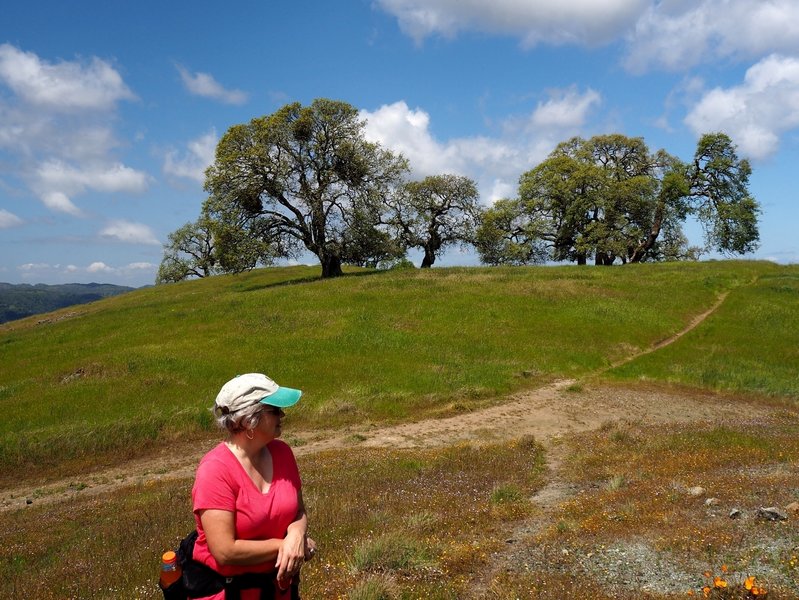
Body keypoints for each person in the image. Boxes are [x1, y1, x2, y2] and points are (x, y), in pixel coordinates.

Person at [190, 373, 316, 600]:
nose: (282, 415)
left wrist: (296, 535)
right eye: (275, 410)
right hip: (230, 593)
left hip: (279, 591)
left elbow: (298, 511)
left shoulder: (283, 453)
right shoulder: (215, 471)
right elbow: (225, 551)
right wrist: (285, 546)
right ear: (249, 420)